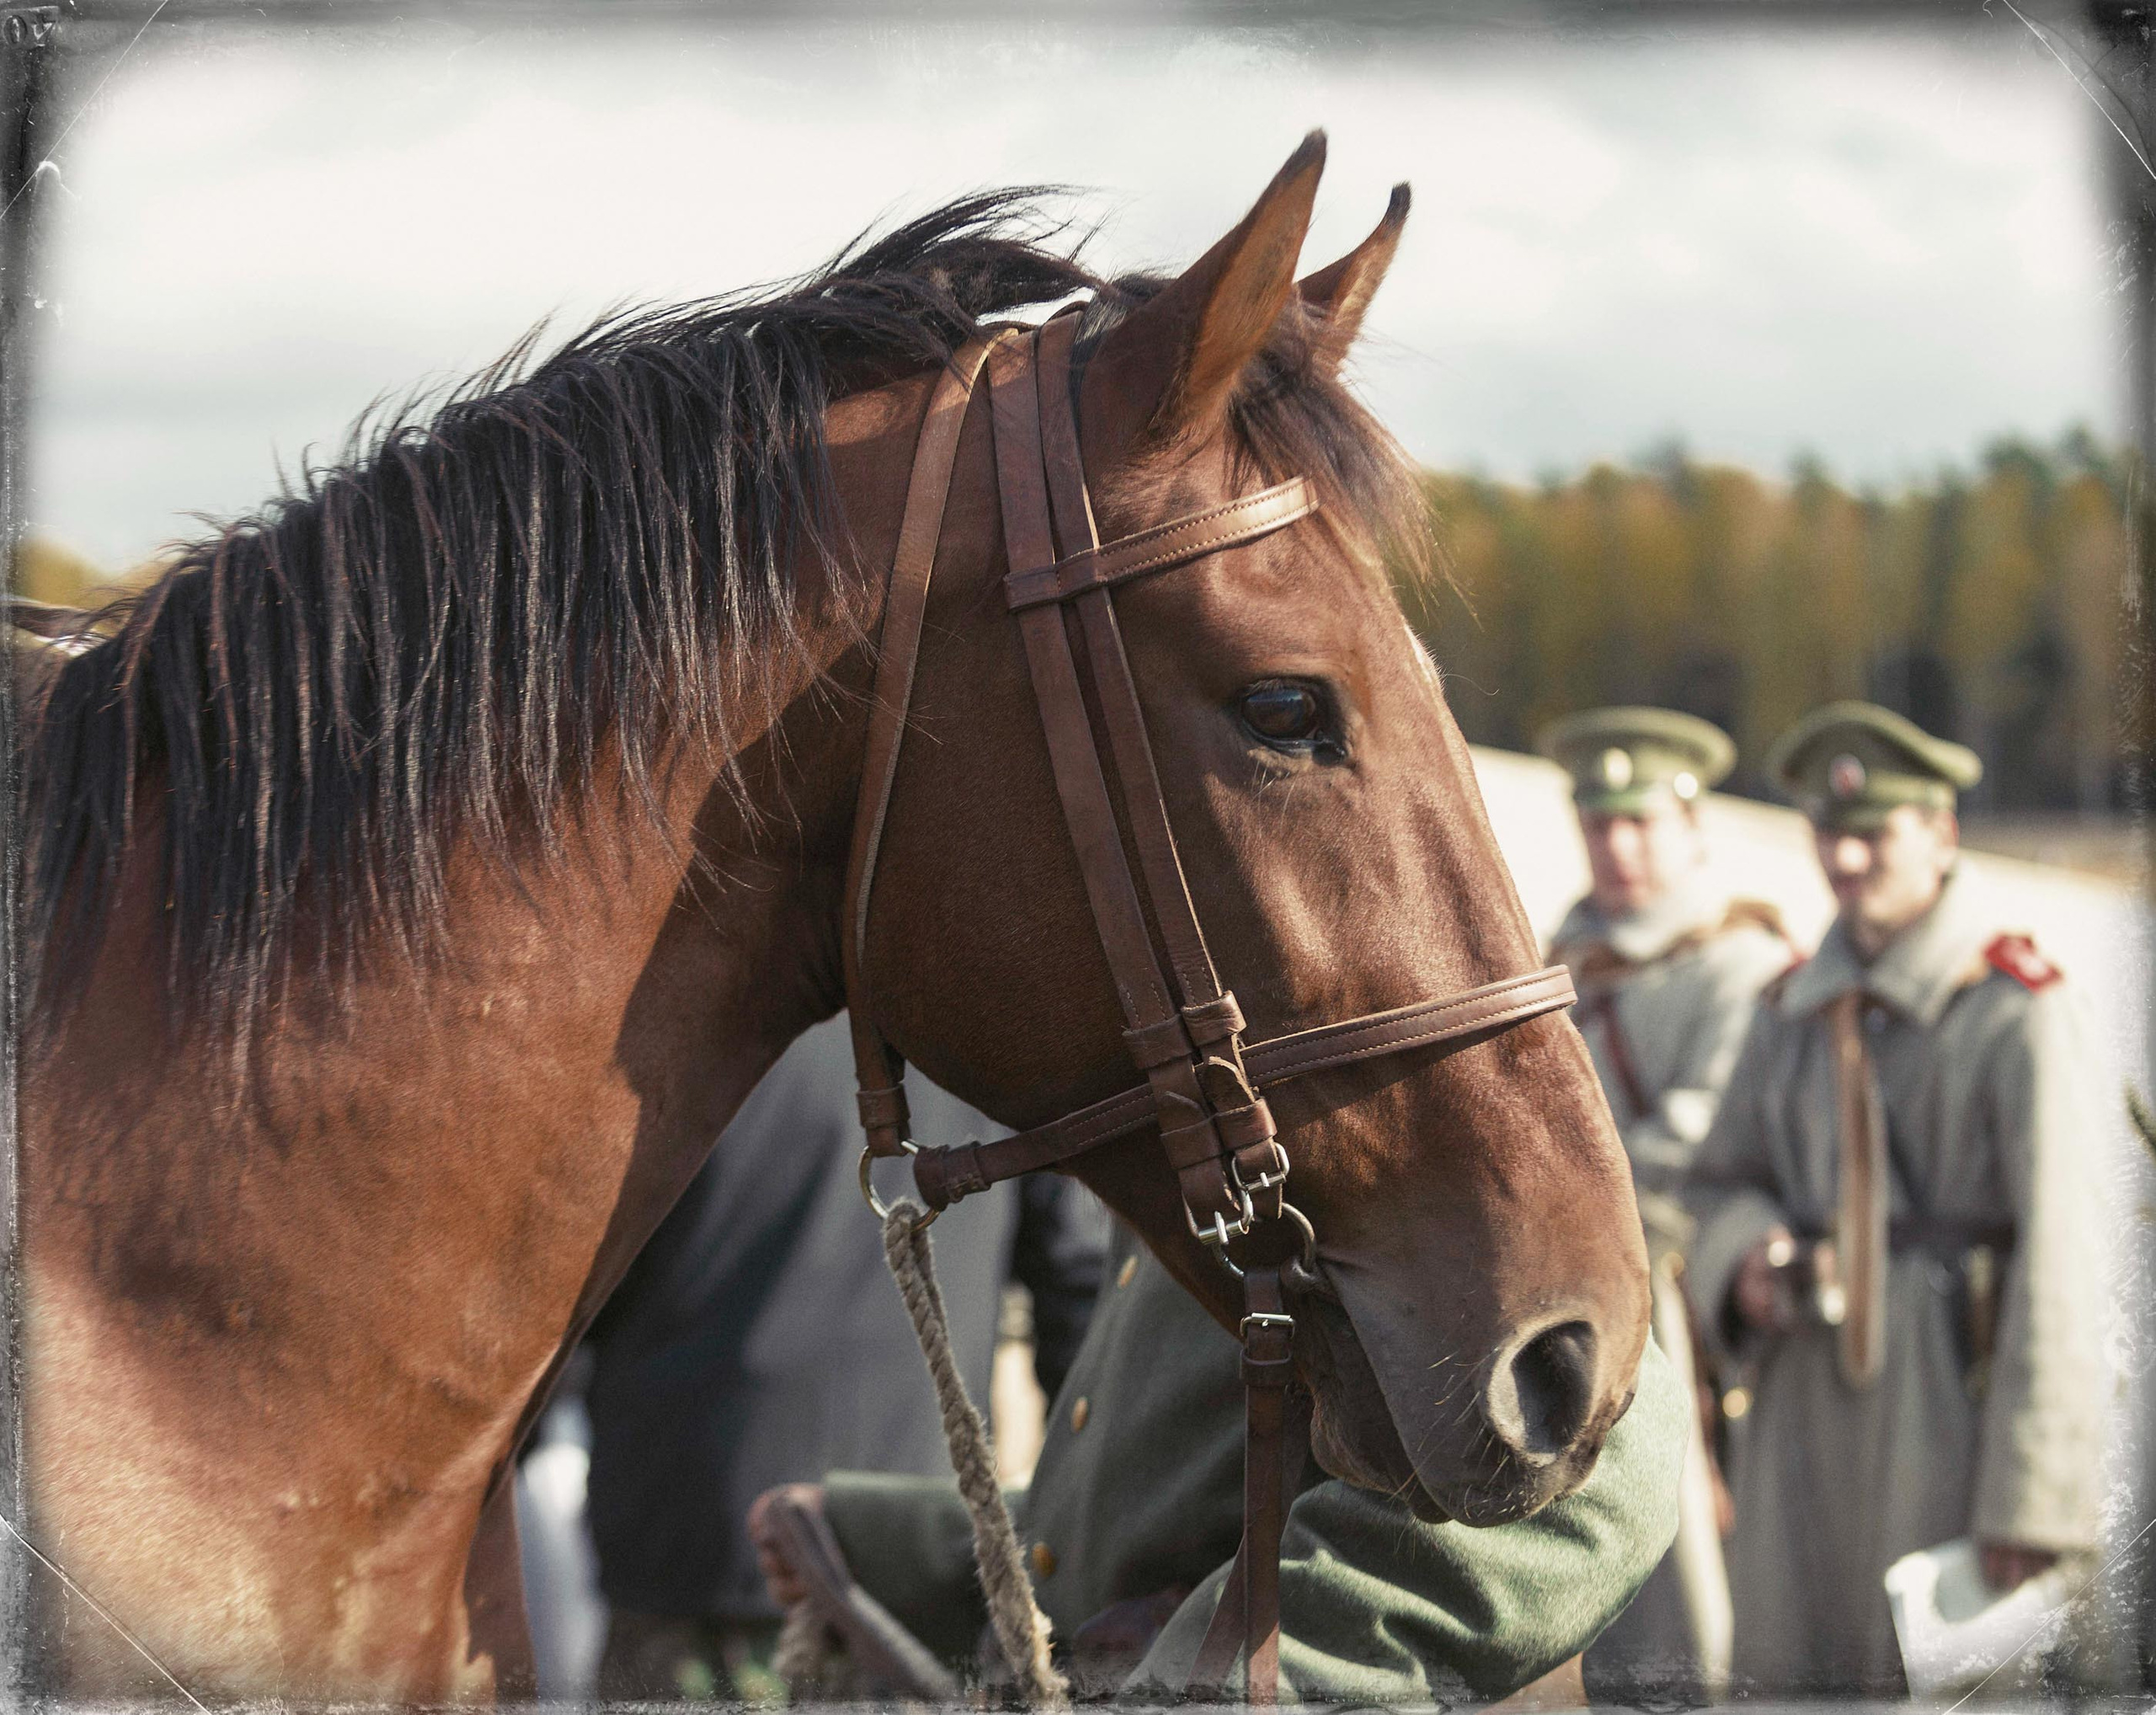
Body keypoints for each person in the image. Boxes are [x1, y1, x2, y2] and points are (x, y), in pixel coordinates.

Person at [751, 1221, 1689, 1704]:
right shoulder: (1190, 1130)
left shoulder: (1392, 1107)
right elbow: (1154, 1514)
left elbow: (1602, 1458)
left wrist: (1231, 1682)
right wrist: (875, 1539)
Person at [1684, 701, 2109, 1696]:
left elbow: (2065, 1262)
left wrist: (2034, 1496)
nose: (1844, 858)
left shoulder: (2016, 1011)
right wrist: (1744, 1257)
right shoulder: (1788, 1011)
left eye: (1872, 832)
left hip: (1953, 1396)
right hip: (1800, 1401)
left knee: (1956, 1682)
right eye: (1829, 833)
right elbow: (1715, 1182)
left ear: (1942, 833)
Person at [579, 1012, 1107, 1701]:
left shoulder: (683, 1020)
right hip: (906, 1566)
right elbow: (1080, 1290)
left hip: (704, 1549)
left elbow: (561, 1292)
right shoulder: (984, 1039)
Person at [1536, 707, 1796, 1702]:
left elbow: (1698, 1140)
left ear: (1692, 826)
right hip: (1568, 1303)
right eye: (1600, 824)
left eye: (1641, 821)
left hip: (1689, 1307)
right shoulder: (1560, 952)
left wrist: (1543, 1189)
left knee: (1691, 1586)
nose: (1619, 846)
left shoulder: (1740, 961)